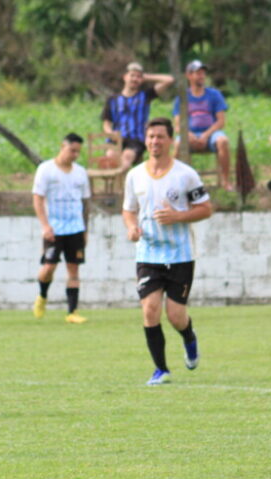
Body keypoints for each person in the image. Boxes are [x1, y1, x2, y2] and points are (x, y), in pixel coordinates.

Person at [122, 117, 213, 386]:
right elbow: (129, 210)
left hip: (180, 255)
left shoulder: (185, 174)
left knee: (175, 315)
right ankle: (161, 370)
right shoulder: (135, 175)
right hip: (148, 254)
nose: (154, 142)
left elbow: (206, 209)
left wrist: (178, 216)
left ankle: (189, 337)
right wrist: (131, 227)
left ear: (170, 140)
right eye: (150, 137)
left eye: (160, 136)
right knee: (150, 309)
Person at [32, 132, 92, 324]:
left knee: (73, 270)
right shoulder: (46, 169)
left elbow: (86, 202)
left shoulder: (81, 172)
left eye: (77, 152)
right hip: (54, 229)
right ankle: (42, 296)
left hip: (75, 228)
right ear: (62, 146)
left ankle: (72, 312)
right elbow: (38, 199)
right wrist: (45, 226)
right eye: (71, 150)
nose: (74, 154)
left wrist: (85, 229)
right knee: (49, 267)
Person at [101, 62, 175, 170]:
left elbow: (169, 80)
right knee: (111, 158)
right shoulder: (113, 99)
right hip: (116, 139)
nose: (135, 79)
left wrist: (147, 77)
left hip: (136, 140)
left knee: (126, 159)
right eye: (132, 75)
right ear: (125, 77)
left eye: (138, 77)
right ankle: (118, 186)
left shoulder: (145, 96)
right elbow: (106, 123)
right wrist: (110, 133)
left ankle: (124, 186)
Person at [172, 60, 231, 190]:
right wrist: (190, 135)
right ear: (189, 76)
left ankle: (226, 181)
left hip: (210, 133)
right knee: (177, 144)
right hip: (189, 134)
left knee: (223, 141)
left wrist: (205, 135)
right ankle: (176, 182)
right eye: (198, 73)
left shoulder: (214, 95)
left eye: (203, 73)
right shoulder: (182, 97)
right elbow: (177, 125)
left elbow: (221, 121)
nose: (202, 76)